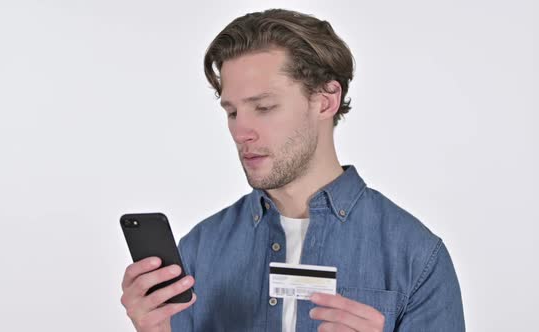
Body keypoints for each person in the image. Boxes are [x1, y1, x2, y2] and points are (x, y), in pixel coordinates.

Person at [120, 8, 465, 332]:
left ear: (326, 100)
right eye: (232, 112)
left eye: (264, 107)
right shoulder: (199, 250)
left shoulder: (417, 257)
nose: (242, 132)